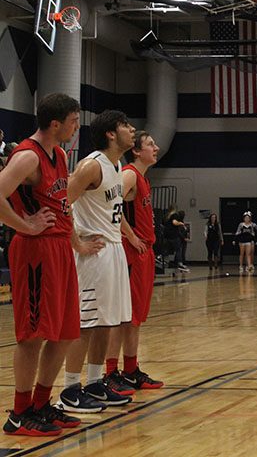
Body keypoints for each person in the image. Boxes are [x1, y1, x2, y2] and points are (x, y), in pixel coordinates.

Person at [0, 94, 88, 435]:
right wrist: (25, 225)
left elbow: (63, 205)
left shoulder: (61, 155)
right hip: (34, 251)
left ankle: (40, 404)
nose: (76, 128)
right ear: (56, 124)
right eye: (73, 122)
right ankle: (19, 414)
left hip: (60, 249)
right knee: (33, 335)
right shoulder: (26, 156)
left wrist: (75, 241)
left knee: (65, 333)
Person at [59, 110, 137, 413]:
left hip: (114, 248)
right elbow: (63, 201)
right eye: (126, 126)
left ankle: (93, 382)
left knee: (108, 322)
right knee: (87, 323)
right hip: (94, 252)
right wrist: (76, 242)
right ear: (110, 133)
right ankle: (68, 389)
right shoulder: (91, 165)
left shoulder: (118, 165)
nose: (132, 130)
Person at [105, 130, 165, 394]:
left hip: (144, 253)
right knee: (122, 316)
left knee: (135, 317)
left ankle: (130, 370)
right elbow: (110, 209)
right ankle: (110, 373)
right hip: (131, 252)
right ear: (137, 151)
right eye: (151, 144)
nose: (157, 147)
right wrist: (131, 235)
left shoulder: (142, 179)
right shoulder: (129, 174)